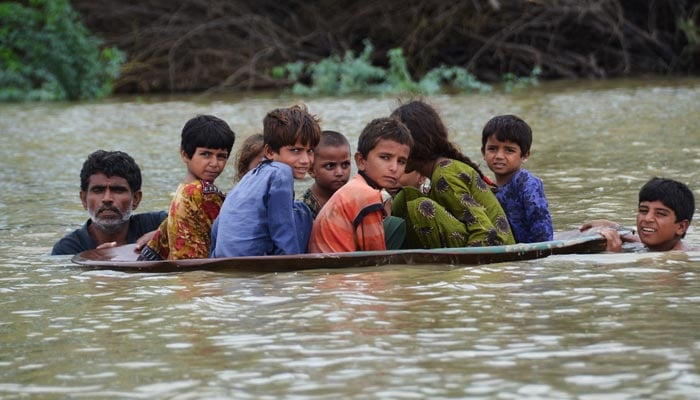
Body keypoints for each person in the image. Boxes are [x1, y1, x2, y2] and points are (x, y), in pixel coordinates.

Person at [390, 100, 515, 248]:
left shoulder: (445, 175)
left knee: (421, 207)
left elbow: (485, 233)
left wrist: (461, 271)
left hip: (495, 250)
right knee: (404, 198)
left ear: (415, 145)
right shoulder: (440, 172)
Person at [210, 104, 321, 257]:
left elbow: (217, 226)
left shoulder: (247, 179)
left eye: (310, 151)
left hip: (223, 259)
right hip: (254, 262)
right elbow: (283, 231)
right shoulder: (282, 172)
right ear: (269, 152)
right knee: (302, 211)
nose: (305, 160)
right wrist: (294, 272)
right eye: (295, 151)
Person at [308, 117, 413, 253]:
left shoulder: (355, 187)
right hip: (338, 271)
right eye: (385, 157)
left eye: (401, 161)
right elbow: (376, 258)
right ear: (361, 161)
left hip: (328, 267)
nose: (394, 168)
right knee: (397, 226)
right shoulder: (367, 195)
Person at [139, 115, 235, 260]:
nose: (215, 163)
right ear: (185, 155)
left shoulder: (182, 190)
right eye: (206, 154)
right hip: (199, 274)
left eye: (221, 156)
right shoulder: (200, 192)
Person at [51, 150, 167, 255]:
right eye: (98, 190)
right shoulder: (67, 250)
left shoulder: (159, 225)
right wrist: (94, 263)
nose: (107, 199)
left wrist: (166, 238)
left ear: (136, 199)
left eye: (118, 190)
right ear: (84, 199)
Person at [481, 114, 553, 243]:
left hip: (530, 253)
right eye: (492, 149)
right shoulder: (487, 189)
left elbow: (542, 229)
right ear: (483, 153)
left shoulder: (526, 182)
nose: (499, 156)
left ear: (525, 156)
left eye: (509, 150)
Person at [581, 177, 696, 252]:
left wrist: (612, 257)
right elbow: (638, 240)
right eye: (643, 211)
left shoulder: (678, 261)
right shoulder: (658, 246)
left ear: (681, 227)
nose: (647, 218)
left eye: (660, 213)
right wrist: (614, 228)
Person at [299, 130, 352, 218]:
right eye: (330, 166)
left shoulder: (354, 200)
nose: (339, 172)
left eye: (345, 164)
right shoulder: (303, 210)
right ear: (311, 170)